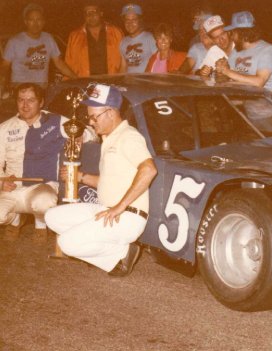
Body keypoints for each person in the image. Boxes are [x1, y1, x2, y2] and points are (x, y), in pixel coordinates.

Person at [45, 84, 157, 277]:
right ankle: (108, 247)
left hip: (127, 216)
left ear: (111, 113)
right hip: (105, 210)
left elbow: (148, 170)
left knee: (66, 243)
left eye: (94, 117)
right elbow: (109, 182)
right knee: (52, 217)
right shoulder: (109, 138)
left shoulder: (128, 137)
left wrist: (120, 206)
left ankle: (121, 253)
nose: (90, 121)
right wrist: (80, 177)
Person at [0, 83, 69, 243]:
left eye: (31, 100)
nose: (25, 105)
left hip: (42, 186)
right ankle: (15, 220)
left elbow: (85, 132)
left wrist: (81, 137)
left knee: (44, 202)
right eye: (21, 100)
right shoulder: (4, 128)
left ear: (41, 102)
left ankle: (41, 224)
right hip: (13, 188)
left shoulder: (55, 121)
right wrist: (2, 183)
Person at [0, 3, 77, 90]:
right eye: (31, 20)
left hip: (41, 90)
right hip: (20, 89)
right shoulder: (14, 41)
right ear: (26, 22)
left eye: (38, 19)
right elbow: (4, 66)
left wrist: (76, 78)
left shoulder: (48, 39)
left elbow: (59, 62)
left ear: (44, 21)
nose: (35, 23)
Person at [215, 11, 272, 92]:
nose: (231, 37)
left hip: (263, 102)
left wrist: (226, 71)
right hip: (241, 100)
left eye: (232, 33)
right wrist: (220, 71)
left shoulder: (268, 50)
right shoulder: (236, 51)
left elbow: (259, 82)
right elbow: (230, 78)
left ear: (240, 32)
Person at [65, 0, 124, 77]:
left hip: (111, 80)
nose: (91, 15)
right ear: (84, 16)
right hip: (85, 81)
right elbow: (68, 62)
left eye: (94, 12)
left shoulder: (116, 32)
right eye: (87, 13)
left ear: (101, 13)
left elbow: (125, 59)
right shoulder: (74, 36)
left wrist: (120, 79)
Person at [119, 3, 157, 73]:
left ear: (140, 20)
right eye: (127, 20)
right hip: (128, 83)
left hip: (146, 83)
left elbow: (160, 61)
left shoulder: (150, 38)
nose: (130, 23)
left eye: (134, 19)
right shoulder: (123, 41)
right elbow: (123, 67)